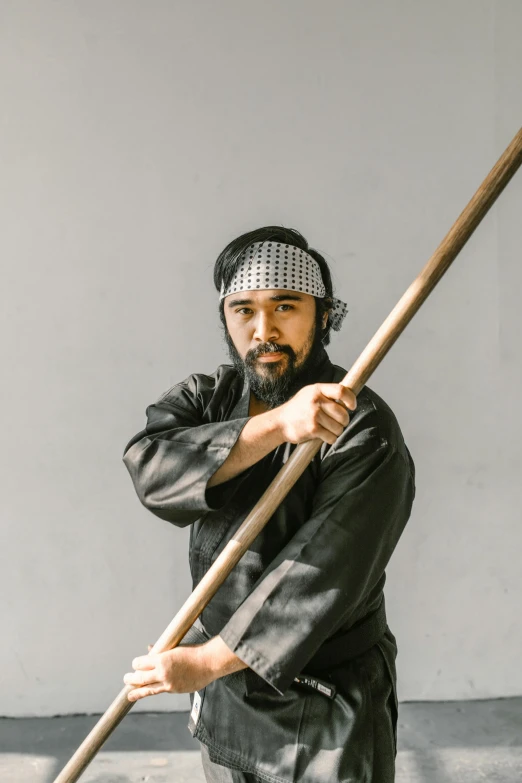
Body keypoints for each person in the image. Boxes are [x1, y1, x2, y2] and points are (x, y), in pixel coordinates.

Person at [122, 226, 416, 783]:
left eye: (286, 306)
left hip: (326, 704)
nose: (264, 330)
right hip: (226, 695)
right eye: (243, 310)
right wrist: (278, 425)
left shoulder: (363, 429)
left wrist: (205, 662)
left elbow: (323, 574)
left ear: (324, 315)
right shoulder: (206, 398)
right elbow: (152, 471)